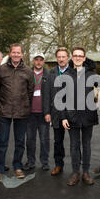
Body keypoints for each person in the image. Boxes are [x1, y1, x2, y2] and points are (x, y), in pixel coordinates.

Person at [0, 44, 35, 182]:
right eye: (14, 52)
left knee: (20, 142)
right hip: (3, 111)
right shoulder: (1, 70)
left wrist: (25, 105)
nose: (16, 55)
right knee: (2, 142)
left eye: (18, 53)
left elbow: (30, 91)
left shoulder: (28, 71)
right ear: (10, 54)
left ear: (22, 54)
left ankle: (17, 166)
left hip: (21, 112)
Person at [60, 47, 100, 186]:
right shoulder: (66, 75)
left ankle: (86, 172)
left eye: (80, 56)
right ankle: (75, 172)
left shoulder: (91, 75)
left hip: (88, 116)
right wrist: (63, 117)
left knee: (87, 145)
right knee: (74, 145)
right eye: (75, 55)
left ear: (84, 58)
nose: (77, 58)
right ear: (72, 58)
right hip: (72, 116)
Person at [43, 47, 71, 176]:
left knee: (75, 142)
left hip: (71, 113)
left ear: (68, 58)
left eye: (63, 56)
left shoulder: (74, 71)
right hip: (56, 113)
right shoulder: (51, 72)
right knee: (58, 142)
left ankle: (76, 168)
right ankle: (58, 165)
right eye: (58, 57)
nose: (61, 59)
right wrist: (47, 112)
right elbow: (47, 93)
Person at [25, 53, 50, 171]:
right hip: (30, 113)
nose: (39, 62)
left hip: (43, 113)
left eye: (41, 60)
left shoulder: (49, 75)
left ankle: (45, 162)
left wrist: (49, 112)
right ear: (33, 61)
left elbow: (52, 95)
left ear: (44, 61)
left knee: (44, 139)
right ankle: (30, 162)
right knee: (30, 139)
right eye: (36, 60)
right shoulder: (27, 74)